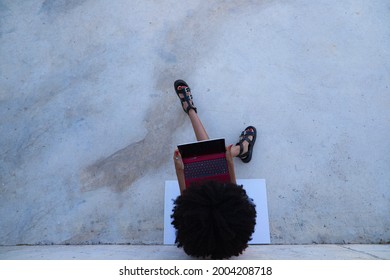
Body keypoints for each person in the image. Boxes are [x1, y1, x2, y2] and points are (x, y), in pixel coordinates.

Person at [171, 80, 258, 259]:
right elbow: (236, 195)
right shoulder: (233, 231)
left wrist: (181, 171)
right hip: (229, 199)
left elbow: (186, 204)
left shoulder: (195, 239)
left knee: (212, 153)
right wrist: (228, 162)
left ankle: (191, 111)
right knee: (215, 154)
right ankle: (241, 149)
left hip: (217, 199)